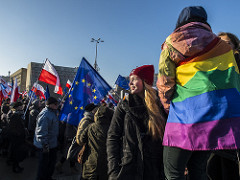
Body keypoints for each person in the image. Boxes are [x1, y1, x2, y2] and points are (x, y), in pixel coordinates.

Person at [157, 6, 240, 180]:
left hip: (183, 116)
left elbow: (165, 82)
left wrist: (167, 108)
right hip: (212, 118)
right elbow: (231, 80)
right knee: (199, 171)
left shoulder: (172, 42)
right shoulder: (221, 46)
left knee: (173, 172)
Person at [107, 65, 167, 180]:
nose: (130, 83)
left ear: (145, 81)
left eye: (134, 79)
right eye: (130, 80)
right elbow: (112, 137)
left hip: (154, 171)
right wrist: (113, 171)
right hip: (128, 170)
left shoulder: (161, 105)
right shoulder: (124, 104)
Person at [206, 32, 240, 180]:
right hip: (215, 124)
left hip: (234, 123)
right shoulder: (211, 67)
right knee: (212, 168)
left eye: (227, 43)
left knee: (229, 167)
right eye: (220, 43)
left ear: (235, 47)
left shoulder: (237, 63)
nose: (223, 46)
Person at [79, 105, 114, 180]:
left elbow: (81, 140)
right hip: (106, 163)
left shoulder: (90, 127)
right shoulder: (112, 129)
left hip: (90, 161)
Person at [34, 97, 59, 180]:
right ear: (50, 105)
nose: (57, 105)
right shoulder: (45, 115)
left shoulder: (52, 112)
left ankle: (48, 177)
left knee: (51, 164)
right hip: (46, 146)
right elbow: (41, 132)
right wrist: (45, 145)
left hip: (52, 143)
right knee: (43, 165)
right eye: (55, 104)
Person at [7, 101, 28, 173]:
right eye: (21, 106)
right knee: (16, 153)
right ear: (18, 107)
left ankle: (17, 166)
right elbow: (13, 127)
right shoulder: (15, 115)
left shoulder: (19, 115)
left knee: (17, 153)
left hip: (18, 137)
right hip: (16, 138)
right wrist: (18, 133)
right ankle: (15, 168)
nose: (22, 107)